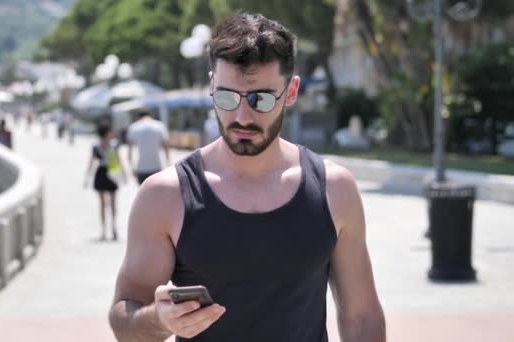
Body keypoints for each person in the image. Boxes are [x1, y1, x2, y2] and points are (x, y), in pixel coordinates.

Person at [109, 13, 385, 342]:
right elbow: (124, 322)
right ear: (211, 85)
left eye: (261, 99)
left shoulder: (333, 188)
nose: (242, 116)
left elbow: (361, 316)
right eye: (227, 97)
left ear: (292, 90)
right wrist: (159, 319)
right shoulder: (165, 195)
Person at [85, 120, 124, 241]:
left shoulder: (105, 145)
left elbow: (118, 160)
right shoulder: (100, 146)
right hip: (106, 172)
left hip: (108, 172)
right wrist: (87, 176)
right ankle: (104, 229)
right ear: (107, 133)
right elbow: (92, 162)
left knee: (111, 203)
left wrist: (123, 174)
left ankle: (112, 227)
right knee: (104, 203)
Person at [126, 111, 171, 185]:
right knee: (157, 193)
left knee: (144, 194)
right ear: (150, 115)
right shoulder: (159, 125)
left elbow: (129, 151)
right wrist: (168, 162)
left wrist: (132, 167)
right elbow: (166, 146)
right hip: (156, 167)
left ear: (139, 117)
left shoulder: (134, 127)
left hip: (141, 167)